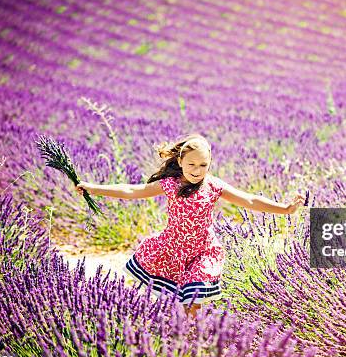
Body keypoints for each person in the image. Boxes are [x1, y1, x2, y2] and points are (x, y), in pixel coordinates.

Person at [75, 133, 305, 319]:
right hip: (173, 249)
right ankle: (180, 337)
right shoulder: (169, 184)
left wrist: (285, 209)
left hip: (203, 251)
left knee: (194, 298)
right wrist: (94, 188)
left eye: (203, 165)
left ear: (210, 164)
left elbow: (250, 200)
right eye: (192, 164)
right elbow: (132, 191)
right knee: (178, 301)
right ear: (180, 162)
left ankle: (190, 338)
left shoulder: (214, 186)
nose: (197, 170)